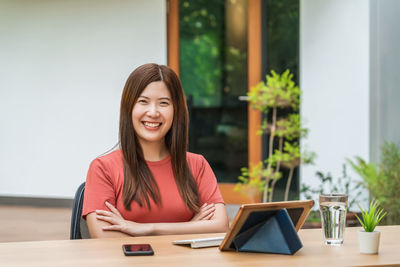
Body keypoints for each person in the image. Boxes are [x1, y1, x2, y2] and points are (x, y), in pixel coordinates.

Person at [82, 63, 229, 238]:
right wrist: (190, 228)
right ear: (129, 108)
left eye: (164, 103)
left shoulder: (197, 164)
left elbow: (220, 226)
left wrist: (146, 228)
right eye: (143, 101)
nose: (153, 112)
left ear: (176, 111)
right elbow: (106, 239)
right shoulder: (103, 168)